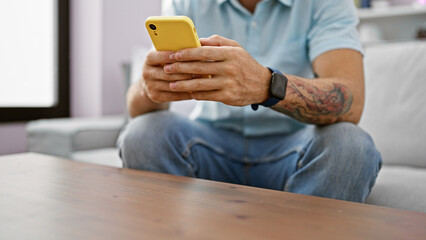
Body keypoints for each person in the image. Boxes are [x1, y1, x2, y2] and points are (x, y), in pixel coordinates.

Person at [118, 0, 382, 203]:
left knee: (351, 146)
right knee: (143, 134)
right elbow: (137, 107)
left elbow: (352, 100)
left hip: (294, 148)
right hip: (209, 143)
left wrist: (267, 85)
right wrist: (147, 85)